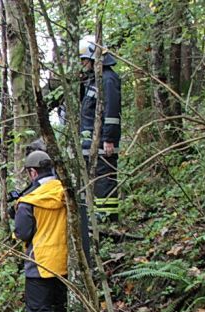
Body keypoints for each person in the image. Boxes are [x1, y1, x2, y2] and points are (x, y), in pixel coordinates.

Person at [13, 150, 68, 312]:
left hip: (39, 265)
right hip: (65, 263)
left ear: (33, 173)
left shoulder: (29, 202)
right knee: (62, 308)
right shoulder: (67, 193)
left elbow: (22, 233)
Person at [78, 34, 121, 221]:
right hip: (90, 144)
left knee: (104, 182)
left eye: (84, 59)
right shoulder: (93, 81)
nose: (82, 64)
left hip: (104, 144)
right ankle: (94, 220)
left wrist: (109, 139)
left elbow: (111, 112)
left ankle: (108, 220)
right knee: (93, 183)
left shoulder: (108, 80)